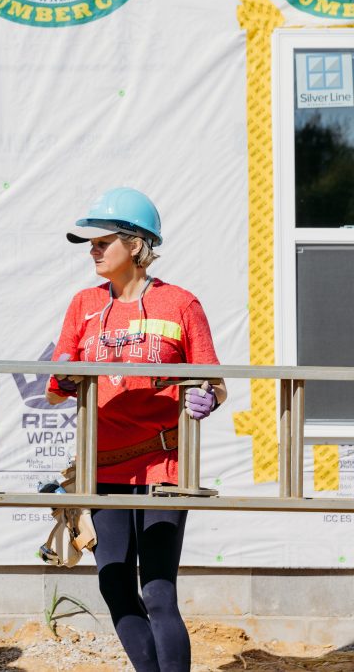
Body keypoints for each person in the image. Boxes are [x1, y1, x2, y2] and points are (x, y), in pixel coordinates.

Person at [46, 187, 227, 672]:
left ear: (137, 245)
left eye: (103, 241)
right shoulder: (82, 304)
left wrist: (206, 395)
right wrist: (63, 377)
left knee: (160, 592)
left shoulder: (180, 304)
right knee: (114, 584)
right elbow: (55, 388)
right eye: (91, 243)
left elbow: (215, 380)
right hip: (103, 466)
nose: (93, 250)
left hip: (162, 467)